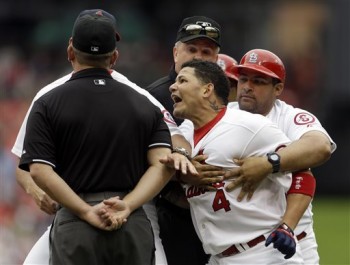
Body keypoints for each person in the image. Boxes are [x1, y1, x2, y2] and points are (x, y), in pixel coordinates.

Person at [12, 12, 196, 265]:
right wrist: (128, 205)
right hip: (130, 214)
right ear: (115, 56)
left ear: (70, 50)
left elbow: (36, 167)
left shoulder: (47, 99)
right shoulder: (143, 101)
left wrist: (85, 210)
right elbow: (165, 161)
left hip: (75, 213)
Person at [180, 49, 336, 263]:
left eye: (259, 81)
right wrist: (185, 167)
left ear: (278, 88)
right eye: (243, 79)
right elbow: (179, 138)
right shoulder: (225, 114)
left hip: (291, 238)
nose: (247, 87)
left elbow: (319, 148)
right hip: (224, 248)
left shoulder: (289, 117)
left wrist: (269, 163)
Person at [165, 59, 304, 264]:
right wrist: (181, 174)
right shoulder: (185, 136)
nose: (173, 86)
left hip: (261, 252)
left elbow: (303, 172)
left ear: (207, 90)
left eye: (183, 80)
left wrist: (287, 226)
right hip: (218, 257)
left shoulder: (247, 125)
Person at [146, 15, 221, 265]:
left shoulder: (225, 96)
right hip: (176, 213)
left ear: (217, 58)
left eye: (206, 51)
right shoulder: (153, 97)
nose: (198, 56)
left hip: (220, 213)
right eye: (191, 49)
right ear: (176, 52)